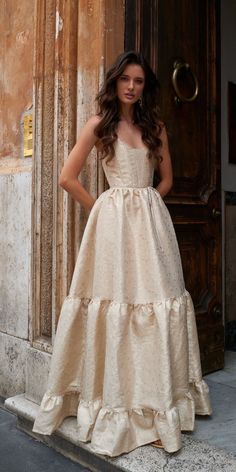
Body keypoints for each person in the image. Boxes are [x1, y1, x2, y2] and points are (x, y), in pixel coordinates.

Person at [33, 51, 212, 457]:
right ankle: (117, 398)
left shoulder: (156, 128)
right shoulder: (99, 125)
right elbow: (66, 177)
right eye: (125, 80)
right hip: (113, 230)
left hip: (151, 228)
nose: (132, 87)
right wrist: (106, 207)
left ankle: (158, 399)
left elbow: (165, 179)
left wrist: (146, 203)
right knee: (118, 304)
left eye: (139, 81)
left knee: (155, 302)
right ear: (114, 83)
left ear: (145, 87)